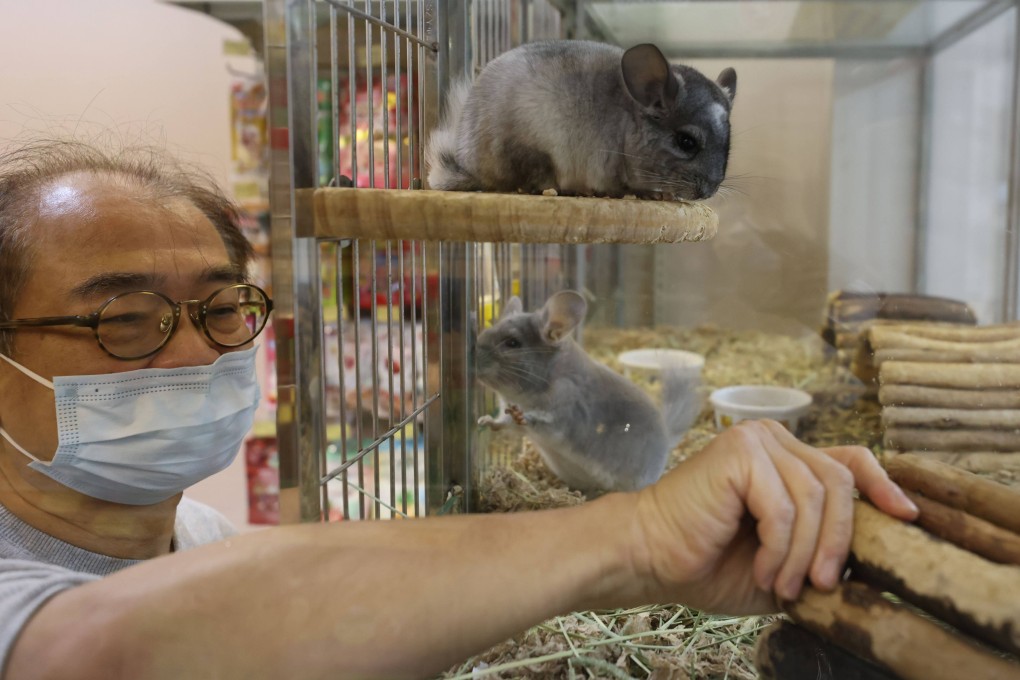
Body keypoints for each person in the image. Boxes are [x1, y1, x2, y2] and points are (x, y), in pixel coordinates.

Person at [0, 138, 918, 680]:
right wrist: (634, 540)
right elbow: (95, 650)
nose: (199, 350)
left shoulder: (198, 537)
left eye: (222, 308)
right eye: (124, 319)